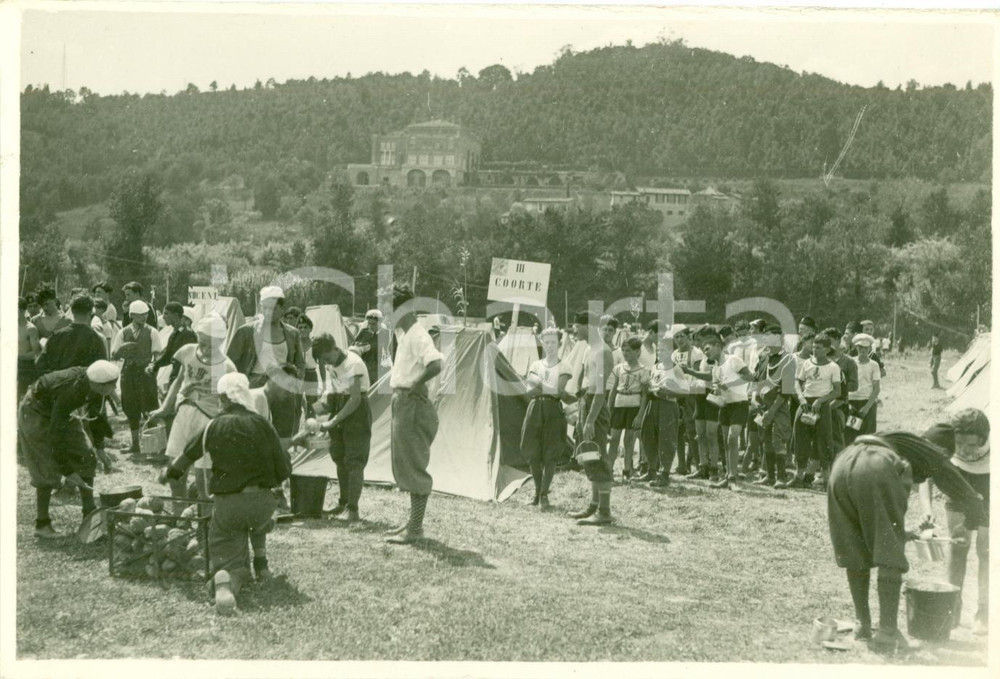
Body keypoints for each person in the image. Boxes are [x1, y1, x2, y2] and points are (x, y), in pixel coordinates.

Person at [827, 430, 986, 653]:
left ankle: (862, 625)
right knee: (890, 556)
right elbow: (949, 475)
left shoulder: (900, 441)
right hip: (874, 465)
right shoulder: (929, 449)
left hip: (841, 464)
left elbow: (874, 527)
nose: (920, 480)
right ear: (940, 449)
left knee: (855, 548)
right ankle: (887, 633)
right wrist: (975, 508)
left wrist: (906, 532)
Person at [159, 372, 291, 615]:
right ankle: (262, 566)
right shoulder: (263, 424)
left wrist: (167, 473)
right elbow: (283, 469)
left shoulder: (213, 426)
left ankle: (226, 583)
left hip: (229, 507)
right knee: (254, 521)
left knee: (231, 561)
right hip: (263, 508)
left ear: (223, 398)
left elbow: (183, 461)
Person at [18, 360, 120, 538]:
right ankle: (42, 524)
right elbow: (55, 436)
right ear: (96, 383)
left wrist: (100, 448)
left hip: (58, 411)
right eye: (110, 385)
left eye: (115, 382)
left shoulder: (93, 381)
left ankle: (89, 514)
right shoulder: (71, 392)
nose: (114, 387)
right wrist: (68, 471)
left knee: (86, 454)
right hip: (36, 409)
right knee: (47, 467)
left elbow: (96, 415)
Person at [147, 315, 236, 503]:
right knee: (175, 468)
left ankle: (205, 521)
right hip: (184, 415)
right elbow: (179, 380)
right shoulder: (188, 352)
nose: (203, 349)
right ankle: (180, 515)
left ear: (220, 342)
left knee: (204, 477)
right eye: (201, 343)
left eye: (209, 345)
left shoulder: (227, 366)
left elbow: (230, 403)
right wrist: (164, 408)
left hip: (208, 421)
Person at [921, 409, 990, 636]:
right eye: (959, 443)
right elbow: (925, 474)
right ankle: (952, 607)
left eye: (971, 445)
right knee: (958, 545)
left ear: (983, 439)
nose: (963, 450)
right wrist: (927, 508)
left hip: (989, 485)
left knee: (986, 549)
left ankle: (984, 611)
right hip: (959, 482)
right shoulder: (947, 441)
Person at [384, 285, 443, 544]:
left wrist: (416, 385)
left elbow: (436, 363)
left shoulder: (418, 334)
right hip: (402, 401)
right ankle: (412, 522)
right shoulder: (403, 334)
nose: (386, 315)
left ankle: (416, 528)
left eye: (389, 310)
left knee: (414, 464)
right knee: (405, 464)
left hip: (412, 402)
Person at [309, 332, 372, 522]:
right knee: (339, 456)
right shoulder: (331, 364)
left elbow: (354, 399)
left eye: (327, 358)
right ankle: (343, 503)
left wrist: (333, 421)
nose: (326, 362)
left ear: (335, 348)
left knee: (354, 460)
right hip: (339, 405)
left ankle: (353, 510)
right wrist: (316, 410)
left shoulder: (354, 363)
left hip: (356, 412)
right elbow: (332, 391)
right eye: (323, 360)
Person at [686, 332, 753, 489]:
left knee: (732, 438)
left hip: (739, 403)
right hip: (725, 406)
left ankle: (733, 479)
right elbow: (717, 385)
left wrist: (729, 384)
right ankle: (728, 477)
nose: (706, 352)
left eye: (708, 348)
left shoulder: (733, 360)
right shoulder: (716, 368)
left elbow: (750, 376)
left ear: (718, 346)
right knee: (725, 440)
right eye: (703, 350)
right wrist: (717, 390)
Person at [567, 310, 616, 525]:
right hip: (586, 402)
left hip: (596, 405)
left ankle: (604, 512)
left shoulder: (602, 351)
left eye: (576, 326)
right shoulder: (589, 349)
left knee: (597, 456)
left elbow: (600, 391)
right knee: (588, 456)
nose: (573, 330)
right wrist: (580, 413)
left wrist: (589, 421)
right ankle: (593, 506)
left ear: (587, 325)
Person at [778, 335, 841, 490]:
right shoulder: (807, 363)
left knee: (823, 441)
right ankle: (799, 476)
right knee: (799, 438)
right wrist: (801, 399)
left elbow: (837, 391)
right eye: (813, 346)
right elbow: (797, 382)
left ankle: (827, 480)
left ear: (827, 349)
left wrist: (821, 401)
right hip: (805, 404)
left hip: (822, 407)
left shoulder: (833, 367)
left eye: (818, 348)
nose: (814, 349)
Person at [521, 328, 572, 507]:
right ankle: (536, 491)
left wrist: (540, 384)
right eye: (547, 342)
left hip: (553, 410)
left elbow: (558, 393)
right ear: (542, 343)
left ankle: (544, 494)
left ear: (559, 343)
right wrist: (553, 389)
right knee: (533, 453)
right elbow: (529, 391)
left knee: (550, 454)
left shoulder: (564, 366)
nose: (550, 346)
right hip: (535, 408)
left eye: (553, 342)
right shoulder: (536, 365)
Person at [638, 333, 691, 488]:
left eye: (665, 350)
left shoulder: (676, 369)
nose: (661, 353)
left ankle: (664, 474)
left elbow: (685, 391)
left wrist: (668, 393)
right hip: (652, 404)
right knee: (648, 436)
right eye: (659, 350)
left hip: (668, 405)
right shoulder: (655, 367)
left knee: (666, 439)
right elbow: (650, 386)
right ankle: (651, 470)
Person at [227, 286, 305, 389]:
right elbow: (230, 362)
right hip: (254, 386)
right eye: (265, 308)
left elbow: (299, 363)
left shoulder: (293, 334)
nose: (268, 312)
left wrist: (295, 384)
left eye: (273, 308)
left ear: (282, 309)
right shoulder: (246, 332)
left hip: (282, 388)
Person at [111, 300, 163, 453]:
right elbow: (115, 354)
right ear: (132, 315)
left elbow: (157, 355)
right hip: (128, 374)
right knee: (131, 408)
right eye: (140, 315)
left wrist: (153, 367)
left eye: (146, 315)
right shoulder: (123, 332)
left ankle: (153, 446)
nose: (144, 318)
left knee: (150, 407)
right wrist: (123, 349)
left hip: (146, 374)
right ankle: (135, 444)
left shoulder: (152, 332)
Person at [750, 325, 795, 486]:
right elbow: (756, 380)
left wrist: (772, 411)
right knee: (765, 440)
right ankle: (769, 476)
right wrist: (754, 398)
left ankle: (781, 477)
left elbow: (786, 391)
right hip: (762, 405)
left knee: (778, 440)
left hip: (779, 405)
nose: (768, 340)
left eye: (772, 337)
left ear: (781, 338)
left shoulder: (788, 359)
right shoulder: (763, 357)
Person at [606, 337, 649, 482]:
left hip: (634, 406)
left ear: (637, 352)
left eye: (629, 351)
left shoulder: (643, 370)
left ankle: (627, 471)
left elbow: (644, 395)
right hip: (619, 405)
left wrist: (640, 414)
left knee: (629, 440)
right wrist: (608, 407)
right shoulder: (619, 368)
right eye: (623, 350)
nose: (625, 353)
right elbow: (613, 390)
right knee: (613, 439)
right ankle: (609, 469)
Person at [35, 295, 108, 376]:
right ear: (90, 312)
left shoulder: (56, 336)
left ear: (72, 311)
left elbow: (40, 365)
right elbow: (103, 372)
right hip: (85, 386)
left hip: (59, 385)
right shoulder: (97, 339)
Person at [820, 327, 858, 456]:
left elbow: (854, 385)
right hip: (821, 402)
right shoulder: (822, 359)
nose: (828, 346)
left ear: (838, 340)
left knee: (837, 436)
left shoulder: (848, 362)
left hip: (840, 405)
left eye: (830, 341)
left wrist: (839, 386)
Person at [672, 327, 704, 477]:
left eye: (682, 336)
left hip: (692, 393)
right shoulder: (674, 354)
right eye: (676, 337)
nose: (679, 340)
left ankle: (698, 464)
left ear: (688, 337)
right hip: (677, 394)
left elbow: (698, 374)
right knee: (678, 428)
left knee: (692, 429)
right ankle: (682, 464)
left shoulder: (696, 353)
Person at [148, 302, 198, 387]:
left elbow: (188, 361)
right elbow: (168, 354)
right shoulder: (175, 333)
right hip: (176, 377)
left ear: (175, 315)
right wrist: (154, 365)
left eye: (166, 314)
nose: (163, 317)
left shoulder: (187, 334)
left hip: (184, 380)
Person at [846, 333, 881, 445]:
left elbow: (876, 388)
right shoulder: (850, 362)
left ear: (869, 348)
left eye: (865, 348)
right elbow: (845, 385)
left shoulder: (874, 365)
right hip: (852, 403)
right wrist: (848, 404)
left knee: (868, 437)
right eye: (860, 347)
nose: (863, 350)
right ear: (856, 347)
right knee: (851, 436)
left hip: (867, 402)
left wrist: (866, 408)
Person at [294, 315, 321, 414]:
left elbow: (321, 365)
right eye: (300, 327)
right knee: (296, 407)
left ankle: (311, 428)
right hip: (298, 376)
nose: (303, 330)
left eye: (305, 327)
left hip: (311, 376)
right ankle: (295, 429)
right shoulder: (294, 344)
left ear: (310, 329)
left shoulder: (315, 344)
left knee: (312, 406)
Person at [18, 297, 42, 403]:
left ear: (22, 310)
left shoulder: (31, 329)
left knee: (22, 399)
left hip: (25, 368)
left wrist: (17, 356)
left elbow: (35, 353)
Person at [352, 309, 383, 385]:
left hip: (380, 372)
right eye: (369, 323)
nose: (371, 326)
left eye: (374, 324)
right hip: (364, 369)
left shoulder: (388, 335)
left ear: (380, 322)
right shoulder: (363, 332)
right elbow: (353, 350)